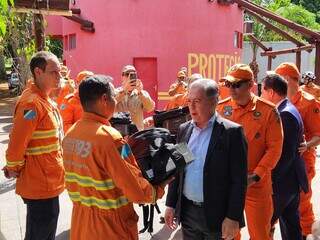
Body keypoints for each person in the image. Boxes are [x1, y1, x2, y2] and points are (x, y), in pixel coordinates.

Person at [62, 75, 168, 240]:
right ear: (105, 99)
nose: (115, 100)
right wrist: (159, 189)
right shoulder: (111, 139)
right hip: (111, 228)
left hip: (80, 224)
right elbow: (136, 190)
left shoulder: (71, 133)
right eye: (113, 96)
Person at [165, 78, 248, 240]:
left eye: (197, 101)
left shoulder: (232, 133)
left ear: (213, 101)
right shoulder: (184, 130)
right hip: (188, 213)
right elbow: (178, 169)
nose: (191, 106)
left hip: (217, 216)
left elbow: (239, 181)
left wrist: (233, 217)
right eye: (189, 101)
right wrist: (170, 204)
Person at [2, 51, 65, 240]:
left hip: (47, 181)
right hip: (40, 184)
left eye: (60, 72)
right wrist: (13, 168)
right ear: (38, 72)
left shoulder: (45, 100)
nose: (59, 77)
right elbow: (16, 145)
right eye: (54, 72)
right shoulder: (31, 104)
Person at [217, 64, 283, 240]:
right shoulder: (220, 109)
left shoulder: (268, 111)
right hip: (228, 185)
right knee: (228, 234)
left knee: (260, 234)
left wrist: (256, 176)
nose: (231, 89)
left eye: (237, 85)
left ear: (251, 84)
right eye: (228, 85)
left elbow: (275, 148)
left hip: (257, 185)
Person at [261, 73, 308, 240]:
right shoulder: (288, 108)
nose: (261, 95)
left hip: (281, 184)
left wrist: (267, 179)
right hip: (290, 182)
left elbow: (283, 155)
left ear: (271, 92)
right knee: (291, 227)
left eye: (263, 91)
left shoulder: (283, 114)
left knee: (262, 227)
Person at [275, 62, 320, 237]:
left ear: (286, 79)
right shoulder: (277, 100)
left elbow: (318, 134)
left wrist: (306, 145)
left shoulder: (309, 103)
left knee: (301, 202)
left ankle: (306, 234)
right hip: (281, 162)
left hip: (302, 162)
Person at [115, 65, 155, 130]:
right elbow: (109, 106)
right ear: (122, 77)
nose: (129, 77)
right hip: (119, 133)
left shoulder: (140, 93)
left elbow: (150, 108)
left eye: (133, 74)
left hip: (136, 134)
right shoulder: (115, 92)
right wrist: (124, 91)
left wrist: (140, 92)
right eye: (127, 74)